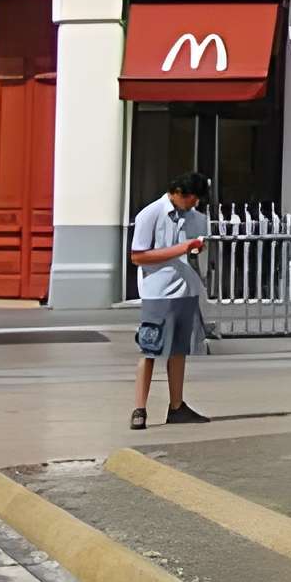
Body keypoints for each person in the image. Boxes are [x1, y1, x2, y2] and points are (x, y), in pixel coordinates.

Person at [127, 172, 212, 430]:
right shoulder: (150, 214)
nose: (192, 202)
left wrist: (196, 250)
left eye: (196, 198)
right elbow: (138, 256)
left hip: (185, 290)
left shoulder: (198, 219)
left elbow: (195, 251)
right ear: (175, 192)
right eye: (189, 197)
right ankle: (139, 408)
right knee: (150, 348)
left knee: (178, 350)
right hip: (158, 292)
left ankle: (177, 406)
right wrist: (182, 248)